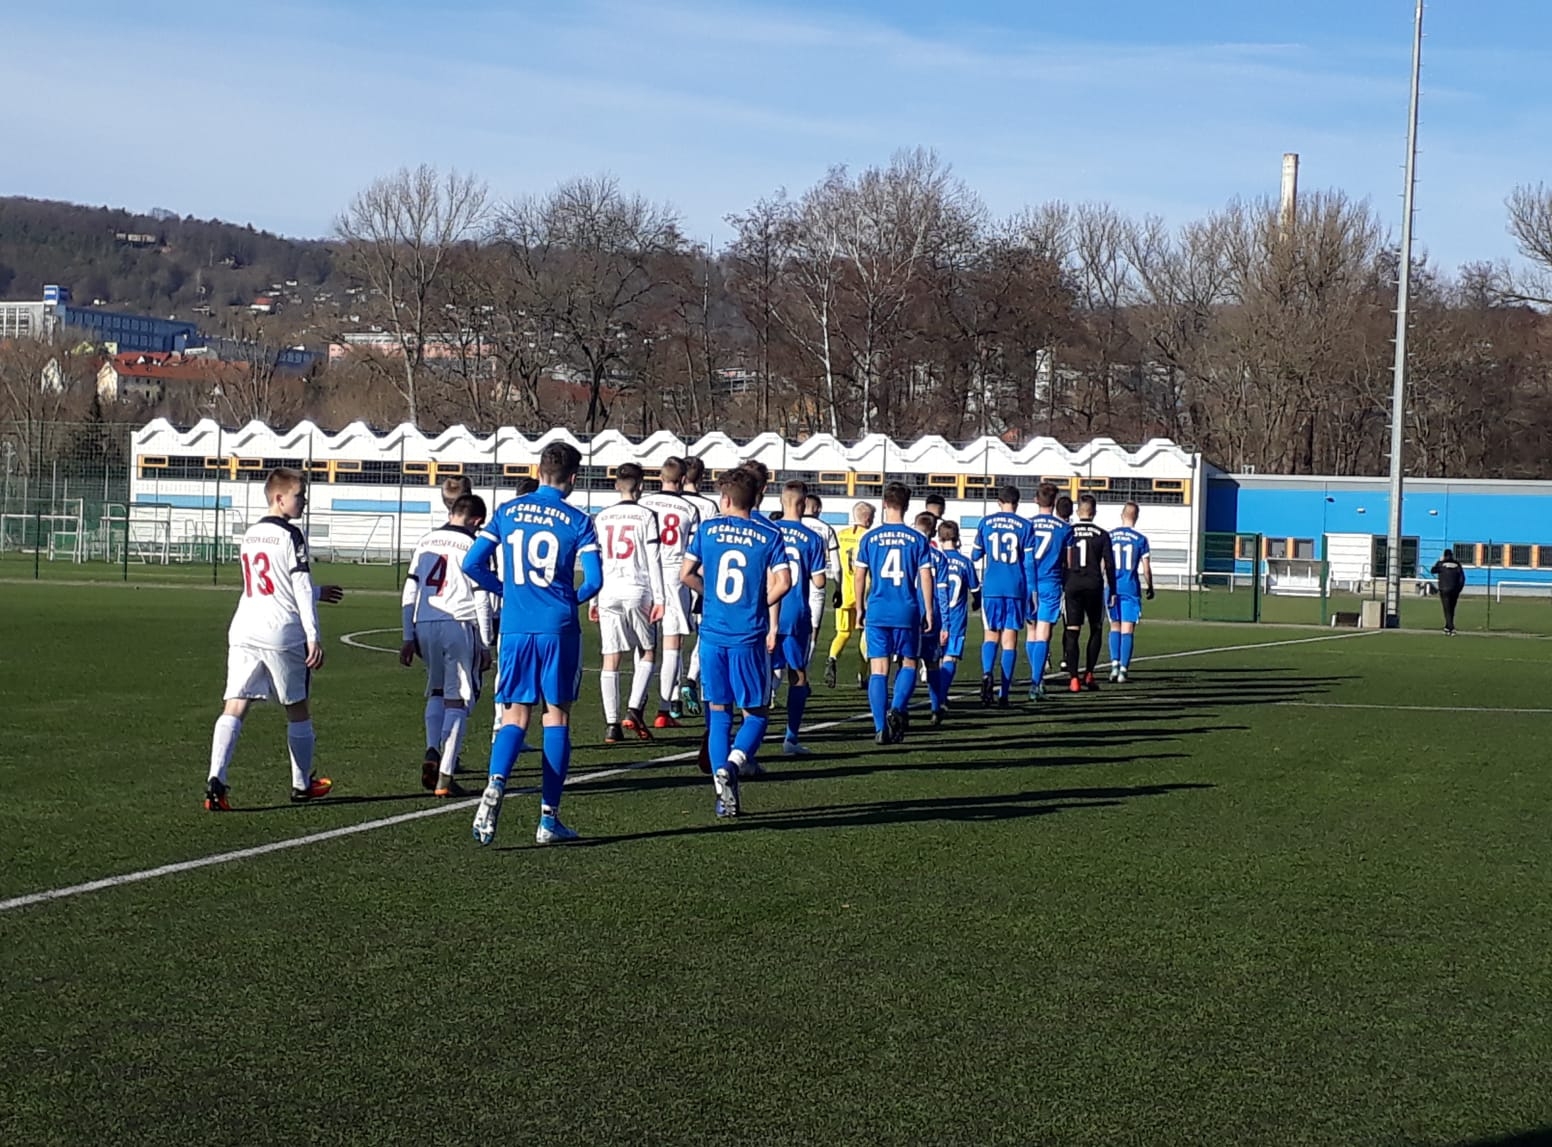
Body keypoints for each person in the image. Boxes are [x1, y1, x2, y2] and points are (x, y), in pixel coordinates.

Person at [463, 442, 603, 846]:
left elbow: (471, 563)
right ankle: (548, 819)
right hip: (558, 628)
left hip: (516, 626)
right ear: (573, 478)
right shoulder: (579, 520)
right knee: (556, 717)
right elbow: (594, 581)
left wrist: (505, 590)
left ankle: (496, 782)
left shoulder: (507, 511)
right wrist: (568, 601)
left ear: (538, 471)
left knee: (514, 716)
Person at [205, 468, 344, 811]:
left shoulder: (251, 533)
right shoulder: (291, 535)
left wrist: (318, 592)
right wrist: (313, 636)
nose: (304, 502)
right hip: (281, 631)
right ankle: (301, 784)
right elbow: (296, 587)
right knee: (297, 706)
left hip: (244, 627)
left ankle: (216, 779)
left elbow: (271, 583)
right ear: (279, 498)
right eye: (299, 496)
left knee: (235, 703)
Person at [680, 467, 792, 818]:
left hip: (713, 635)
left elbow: (685, 574)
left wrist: (711, 596)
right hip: (748, 635)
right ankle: (734, 763)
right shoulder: (769, 533)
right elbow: (785, 582)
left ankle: (721, 794)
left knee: (719, 715)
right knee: (756, 715)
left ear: (725, 499)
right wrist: (758, 603)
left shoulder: (708, 529)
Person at [399, 493, 492, 797]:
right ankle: (446, 775)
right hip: (459, 622)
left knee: (437, 689)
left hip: (425, 621)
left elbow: (409, 590)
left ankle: (432, 748)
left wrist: (408, 635)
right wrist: (485, 642)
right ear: (477, 520)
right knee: (458, 699)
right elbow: (481, 596)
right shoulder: (474, 544)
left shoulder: (426, 541)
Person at [855, 482, 935, 745]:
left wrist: (859, 607)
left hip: (878, 609)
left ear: (884, 504)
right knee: (909, 662)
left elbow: (860, 575)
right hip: (906, 610)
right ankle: (898, 708)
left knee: (879, 668)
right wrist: (929, 610)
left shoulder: (870, 538)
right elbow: (925, 576)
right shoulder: (917, 539)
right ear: (907, 506)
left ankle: (880, 727)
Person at [590, 463, 665, 743]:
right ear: (641, 486)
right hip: (638, 589)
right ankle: (633, 709)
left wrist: (594, 597)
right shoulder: (647, 515)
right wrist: (660, 598)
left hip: (608, 591)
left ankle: (611, 724)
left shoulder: (602, 517)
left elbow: (596, 560)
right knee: (648, 651)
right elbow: (653, 559)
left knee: (611, 657)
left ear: (615, 485)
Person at [640, 457, 702, 725]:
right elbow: (694, 551)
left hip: (646, 573)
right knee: (672, 643)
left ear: (660, 477)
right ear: (683, 480)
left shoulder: (645, 504)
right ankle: (664, 709)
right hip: (676, 574)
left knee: (646, 643)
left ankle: (638, 703)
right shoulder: (689, 508)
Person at [970, 485, 1037, 708]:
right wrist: (1032, 593)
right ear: (1017, 502)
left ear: (999, 501)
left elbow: (975, 554)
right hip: (1015, 588)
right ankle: (1004, 694)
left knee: (991, 636)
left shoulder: (986, 522)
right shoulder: (1026, 525)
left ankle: (987, 673)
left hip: (992, 587)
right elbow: (1029, 564)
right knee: (1009, 641)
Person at [773, 481, 827, 758]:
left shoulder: (768, 530)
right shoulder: (813, 537)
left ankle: (750, 735)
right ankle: (791, 737)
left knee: (760, 673)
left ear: (781, 502)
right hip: (795, 613)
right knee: (797, 674)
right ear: (804, 504)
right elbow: (819, 581)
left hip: (766, 610)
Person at [489, 475, 540, 745]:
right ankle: (504, 727)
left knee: (507, 667)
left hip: (506, 599)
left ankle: (503, 725)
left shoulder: (504, 516)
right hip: (524, 602)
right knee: (519, 671)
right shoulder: (525, 520)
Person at [678, 456, 722, 716]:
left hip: (670, 574)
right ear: (702, 478)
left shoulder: (666, 502)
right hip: (697, 575)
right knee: (704, 635)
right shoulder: (708, 506)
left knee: (672, 641)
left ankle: (670, 703)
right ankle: (692, 681)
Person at [1062, 494, 1118, 692]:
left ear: (1078, 511)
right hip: (1094, 586)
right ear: (1094, 512)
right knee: (1096, 629)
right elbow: (1109, 564)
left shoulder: (1068, 531)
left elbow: (1062, 559)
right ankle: (1089, 674)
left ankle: (1073, 679)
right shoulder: (1102, 534)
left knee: (1072, 631)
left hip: (1073, 584)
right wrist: (1113, 589)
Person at [1026, 483, 1073, 700]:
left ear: (1036, 500)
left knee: (1031, 631)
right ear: (1054, 502)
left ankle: (1037, 679)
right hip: (1051, 583)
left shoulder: (1026, 525)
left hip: (1029, 584)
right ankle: (1036, 683)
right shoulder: (1064, 528)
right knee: (1044, 633)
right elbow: (1069, 563)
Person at [930, 520, 979, 724]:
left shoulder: (933, 559)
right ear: (957, 538)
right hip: (956, 617)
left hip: (936, 615)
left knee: (934, 660)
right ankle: (941, 697)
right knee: (950, 657)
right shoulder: (965, 562)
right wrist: (976, 602)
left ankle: (936, 698)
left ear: (939, 538)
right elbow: (975, 589)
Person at [824, 501, 875, 689]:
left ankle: (832, 658)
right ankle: (863, 676)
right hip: (864, 592)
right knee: (865, 634)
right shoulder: (869, 537)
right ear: (868, 519)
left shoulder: (841, 535)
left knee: (843, 633)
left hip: (844, 591)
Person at [1106, 502, 1155, 681]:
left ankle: (1114, 665)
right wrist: (1150, 586)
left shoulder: (1110, 536)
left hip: (1112, 587)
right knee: (1127, 629)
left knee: (1114, 626)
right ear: (1137, 517)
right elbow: (1146, 568)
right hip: (1130, 587)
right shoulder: (1141, 539)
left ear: (1122, 515)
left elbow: (1104, 563)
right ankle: (1123, 669)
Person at [801, 493, 842, 660]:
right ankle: (804, 668)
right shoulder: (826, 529)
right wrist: (838, 589)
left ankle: (777, 674)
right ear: (817, 509)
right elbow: (836, 567)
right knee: (813, 630)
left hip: (792, 583)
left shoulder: (792, 525)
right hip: (816, 583)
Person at [1431, 548, 1465, 635]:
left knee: (1447, 609)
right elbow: (1462, 578)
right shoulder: (1457, 564)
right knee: (1452, 609)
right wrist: (1459, 589)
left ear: (1444, 555)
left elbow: (1433, 570)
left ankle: (1451, 628)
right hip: (1454, 590)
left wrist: (1439, 561)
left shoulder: (1441, 564)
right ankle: (1447, 627)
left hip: (1444, 589)